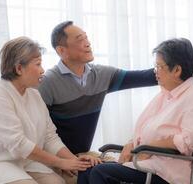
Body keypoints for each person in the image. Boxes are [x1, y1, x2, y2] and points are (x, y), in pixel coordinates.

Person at [77, 38, 193, 184]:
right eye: (155, 66)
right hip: (143, 165)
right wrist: (131, 143)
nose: (155, 72)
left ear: (177, 70)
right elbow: (144, 130)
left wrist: (150, 147)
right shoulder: (165, 96)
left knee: (100, 172)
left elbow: (192, 141)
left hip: (165, 173)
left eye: (159, 67)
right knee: (87, 170)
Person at [0, 37, 101, 184]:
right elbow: (19, 145)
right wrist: (60, 163)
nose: (42, 70)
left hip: (24, 161)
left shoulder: (34, 95)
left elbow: (49, 137)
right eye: (38, 64)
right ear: (19, 68)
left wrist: (74, 160)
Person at [38, 21, 157, 155]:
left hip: (84, 155)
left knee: (122, 170)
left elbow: (146, 77)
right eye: (79, 40)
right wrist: (64, 161)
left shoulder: (102, 75)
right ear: (61, 50)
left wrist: (180, 65)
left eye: (86, 37)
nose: (87, 43)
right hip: (55, 158)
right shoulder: (48, 82)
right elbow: (38, 132)